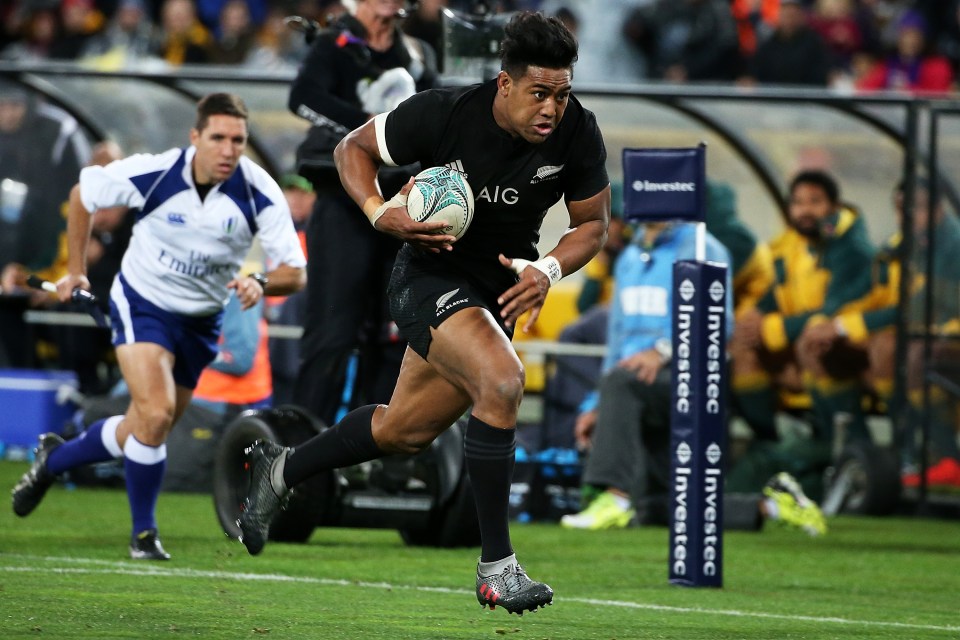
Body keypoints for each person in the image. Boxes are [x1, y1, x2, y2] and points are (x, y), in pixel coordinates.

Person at [238, 11, 610, 615]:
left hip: (498, 293)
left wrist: (547, 270)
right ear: (505, 84)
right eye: (539, 93)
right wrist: (377, 209)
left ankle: (281, 470)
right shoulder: (443, 112)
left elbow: (593, 224)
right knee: (504, 379)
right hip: (427, 278)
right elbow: (350, 148)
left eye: (562, 94)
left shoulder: (578, 131)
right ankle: (498, 568)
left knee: (402, 432)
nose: (551, 107)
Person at [10, 93, 307, 561]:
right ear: (195, 138)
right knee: (155, 413)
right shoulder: (155, 172)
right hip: (141, 304)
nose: (229, 149)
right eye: (219, 138)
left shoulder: (258, 190)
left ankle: (55, 459)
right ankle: (144, 535)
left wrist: (260, 280)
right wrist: (78, 269)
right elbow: (82, 195)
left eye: (238, 140)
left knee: (151, 424)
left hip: (201, 322)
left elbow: (296, 271)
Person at [289, 0, 439, 427]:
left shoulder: (416, 54)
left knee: (394, 333)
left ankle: (374, 448)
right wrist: (373, 129)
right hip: (343, 202)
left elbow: (437, 112)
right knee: (332, 334)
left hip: (401, 204)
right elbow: (302, 98)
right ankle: (300, 452)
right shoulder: (334, 44)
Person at [559, 221, 734, 529]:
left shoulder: (702, 246)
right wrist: (597, 403)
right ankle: (768, 506)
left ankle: (614, 496)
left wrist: (664, 350)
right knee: (660, 507)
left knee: (623, 381)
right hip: (635, 385)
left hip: (689, 377)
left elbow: (720, 323)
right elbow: (617, 343)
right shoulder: (629, 258)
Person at [729, 170, 875, 455]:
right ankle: (770, 445)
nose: (805, 210)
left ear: (833, 206)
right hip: (798, 340)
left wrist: (772, 329)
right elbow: (775, 293)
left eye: (815, 201)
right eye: (798, 202)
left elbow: (835, 310)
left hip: (851, 345)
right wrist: (755, 317)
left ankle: (850, 449)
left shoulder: (852, 248)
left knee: (814, 343)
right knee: (739, 345)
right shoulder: (792, 245)